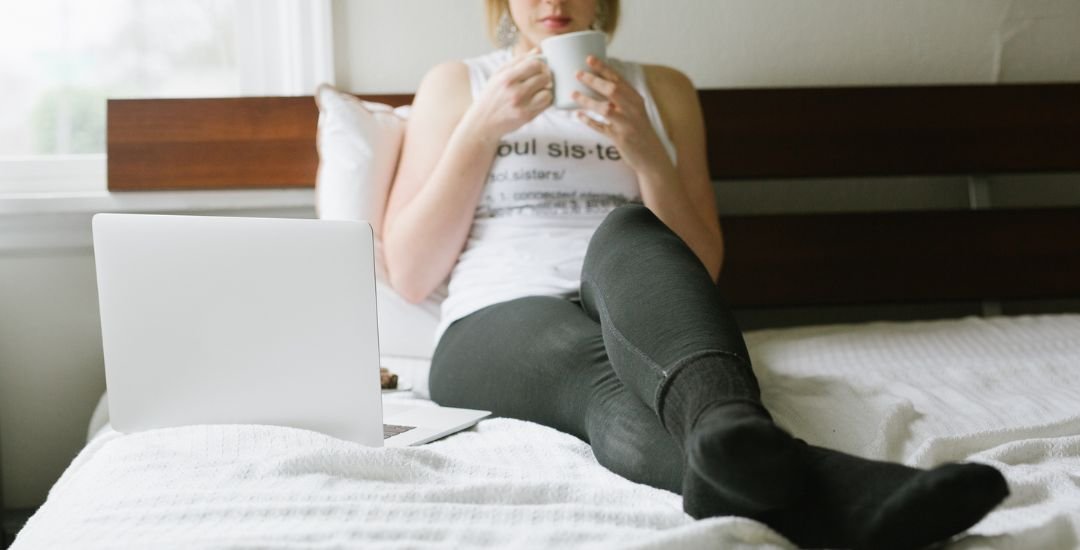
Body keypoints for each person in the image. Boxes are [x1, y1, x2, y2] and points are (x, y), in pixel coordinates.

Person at [381, 1, 1009, 547]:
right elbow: (409, 273)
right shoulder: (459, 85)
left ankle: (729, 431)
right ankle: (822, 481)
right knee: (605, 384)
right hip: (497, 313)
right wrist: (481, 128)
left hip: (633, 291)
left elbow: (700, 262)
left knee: (628, 227)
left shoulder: (662, 89)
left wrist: (647, 149)